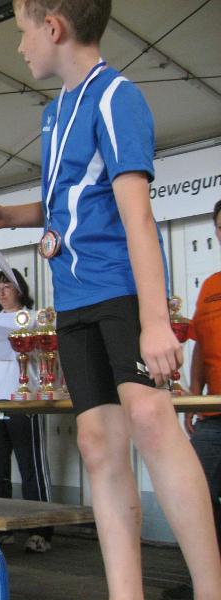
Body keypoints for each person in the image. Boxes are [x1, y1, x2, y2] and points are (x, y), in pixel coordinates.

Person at [0, 2, 221, 598]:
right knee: (96, 445)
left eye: (23, 32)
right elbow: (69, 199)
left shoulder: (116, 97)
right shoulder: (54, 113)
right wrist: (12, 215)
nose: (20, 47)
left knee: (152, 422)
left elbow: (137, 216)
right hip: (74, 301)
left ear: (53, 28)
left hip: (121, 291)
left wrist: (155, 320)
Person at [162, 200, 221, 600]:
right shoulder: (211, 286)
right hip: (213, 416)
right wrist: (195, 399)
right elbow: (199, 347)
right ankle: (207, 582)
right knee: (196, 496)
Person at [0, 268, 54, 553]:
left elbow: (47, 356)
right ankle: (1, 528)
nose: (2, 292)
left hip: (23, 400)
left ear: (19, 289)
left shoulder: (34, 318)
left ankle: (40, 531)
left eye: (7, 286)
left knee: (31, 467)